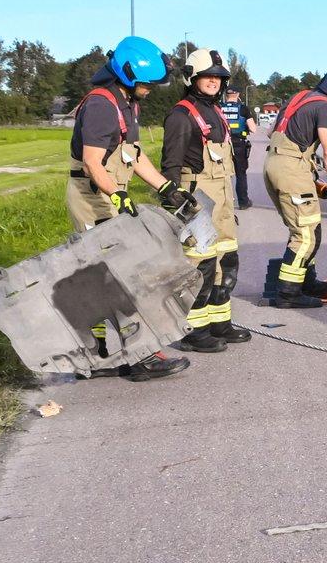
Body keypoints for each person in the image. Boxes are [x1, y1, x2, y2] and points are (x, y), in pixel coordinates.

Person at [68, 35, 194, 381]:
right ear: (127, 74)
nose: (151, 89)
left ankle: (99, 353)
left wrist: (165, 186)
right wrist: (117, 196)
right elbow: (94, 163)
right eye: (147, 83)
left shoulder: (124, 103)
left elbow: (133, 155)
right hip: (94, 196)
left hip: (110, 193)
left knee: (110, 273)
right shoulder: (100, 106)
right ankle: (138, 357)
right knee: (118, 276)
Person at [162, 49, 251, 353]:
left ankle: (219, 323)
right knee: (200, 266)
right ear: (192, 78)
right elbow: (171, 164)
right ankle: (193, 330)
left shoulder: (216, 111)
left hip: (222, 197)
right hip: (197, 197)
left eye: (218, 76)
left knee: (227, 261)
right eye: (207, 76)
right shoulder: (181, 114)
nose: (214, 81)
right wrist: (173, 199)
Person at [262, 66, 327, 308]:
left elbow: (269, 132)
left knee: (308, 227)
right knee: (305, 235)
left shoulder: (299, 97)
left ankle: (307, 281)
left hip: (273, 164)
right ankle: (288, 293)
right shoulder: (324, 106)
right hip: (291, 168)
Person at [218, 82, 258, 209]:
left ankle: (224, 203)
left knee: (224, 175)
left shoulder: (218, 107)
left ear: (226, 94)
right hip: (239, 145)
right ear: (238, 95)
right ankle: (243, 202)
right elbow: (253, 129)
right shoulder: (243, 109)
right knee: (240, 174)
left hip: (222, 145)